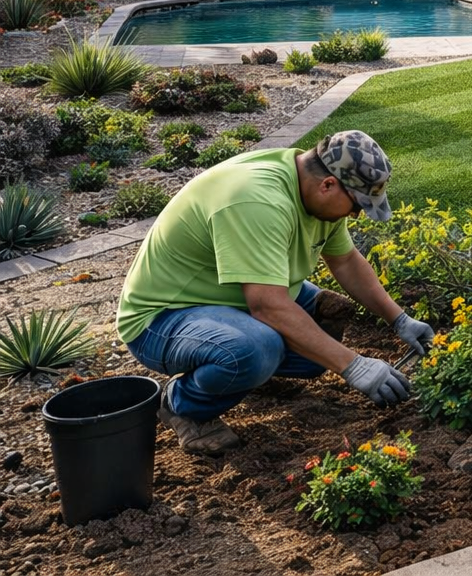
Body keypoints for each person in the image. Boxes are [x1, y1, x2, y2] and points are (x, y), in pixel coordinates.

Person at [116, 130, 434, 454]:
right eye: (357, 206)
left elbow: (347, 262)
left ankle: (243, 373)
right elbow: (267, 306)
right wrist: (354, 366)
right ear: (328, 185)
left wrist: (400, 319)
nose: (356, 215)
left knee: (318, 342)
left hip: (233, 298)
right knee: (256, 350)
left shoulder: (310, 185)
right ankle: (182, 404)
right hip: (163, 318)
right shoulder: (258, 201)